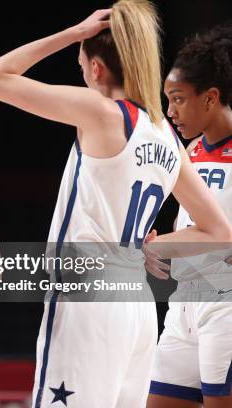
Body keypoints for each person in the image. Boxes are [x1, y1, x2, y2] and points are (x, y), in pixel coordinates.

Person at [0, 1, 232, 407]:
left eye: (82, 65)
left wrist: (73, 33)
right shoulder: (167, 135)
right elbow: (220, 233)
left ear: (96, 69)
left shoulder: (102, 112)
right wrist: (152, 247)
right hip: (138, 302)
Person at [148, 23, 232, 408]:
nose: (170, 111)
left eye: (179, 99)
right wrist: (157, 246)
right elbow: (191, 226)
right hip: (183, 305)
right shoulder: (191, 151)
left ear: (211, 98)